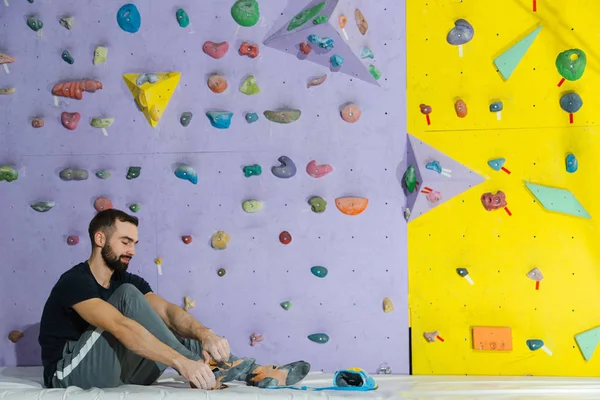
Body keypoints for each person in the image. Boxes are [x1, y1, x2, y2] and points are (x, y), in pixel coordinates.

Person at [38, 208, 310, 390]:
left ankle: (251, 371)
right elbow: (122, 327)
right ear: (100, 239)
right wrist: (183, 363)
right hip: (69, 375)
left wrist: (206, 334)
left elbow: (168, 313)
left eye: (134, 243)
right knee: (128, 299)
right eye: (125, 241)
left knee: (173, 324)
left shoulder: (128, 278)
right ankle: (217, 370)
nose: (131, 250)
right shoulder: (75, 281)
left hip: (121, 373)